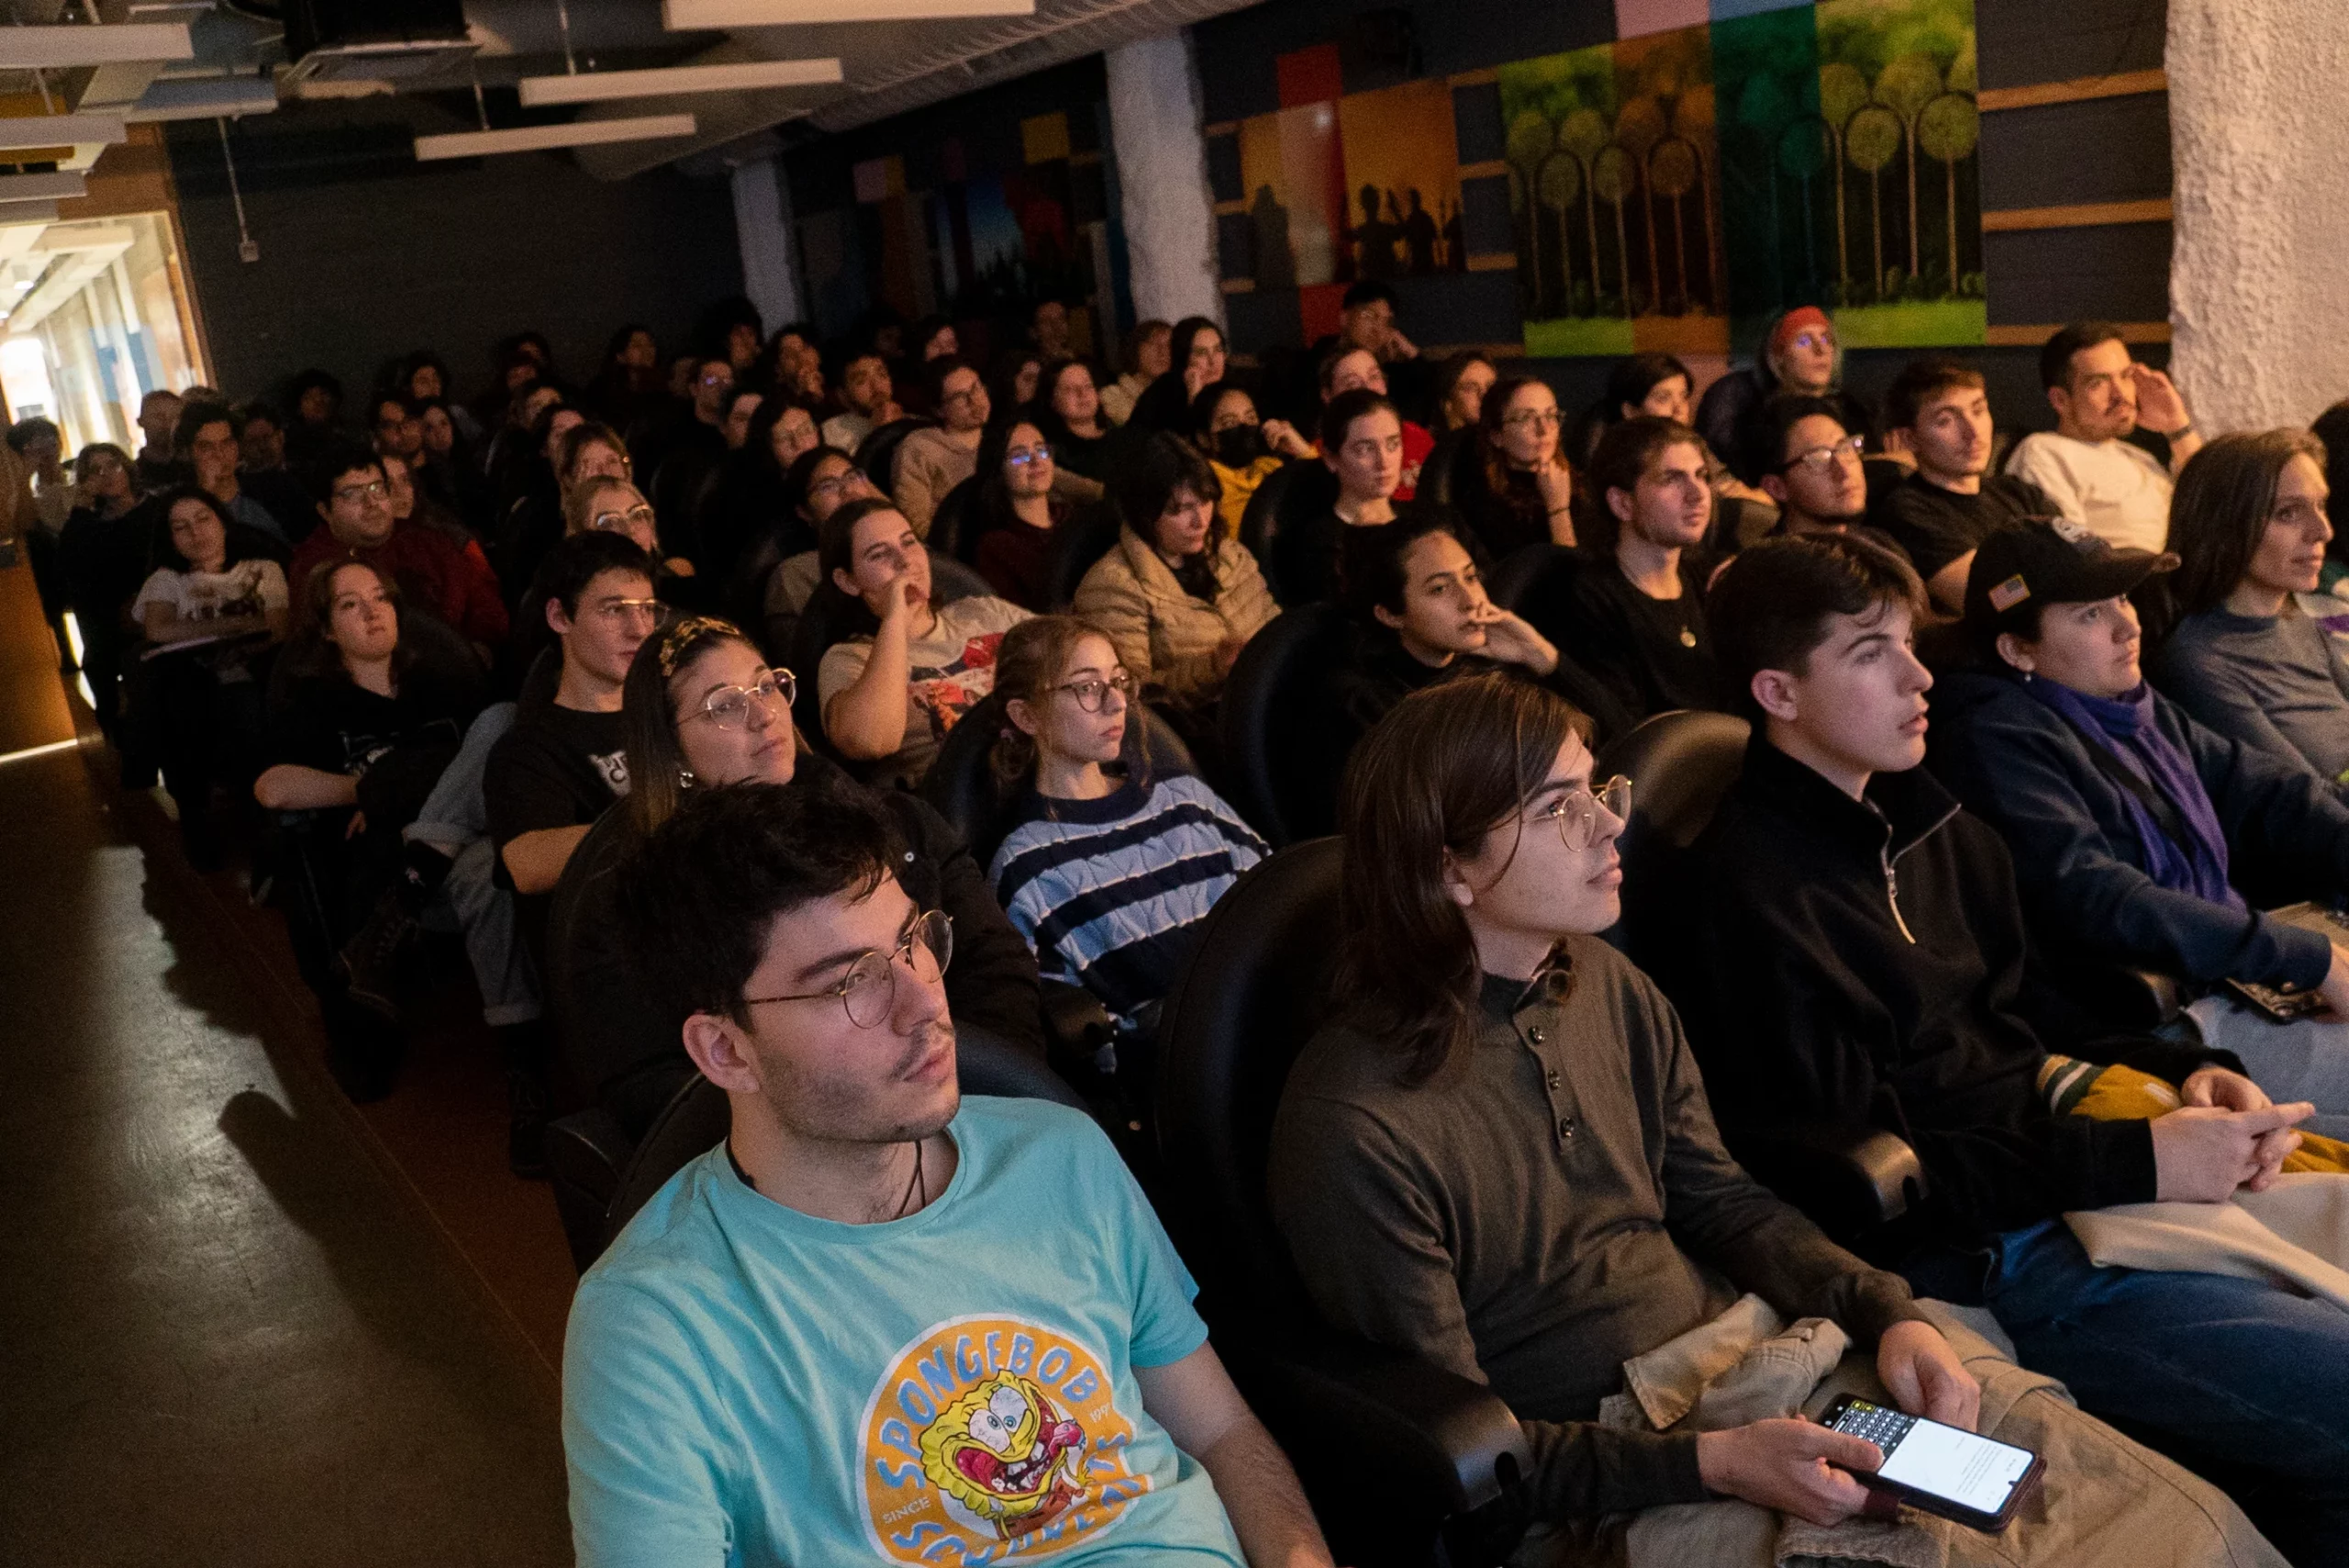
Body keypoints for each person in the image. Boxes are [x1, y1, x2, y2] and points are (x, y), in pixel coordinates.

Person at [1679, 531, 2349, 1564]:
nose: (1918, 674)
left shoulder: (1929, 821)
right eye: (1870, 653)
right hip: (1988, 1253)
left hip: (2068, 1173)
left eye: (1910, 641)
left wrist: (2181, 1071)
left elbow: (2026, 1019)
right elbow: (1874, 1185)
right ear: (1777, 689)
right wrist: (2141, 1159)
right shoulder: (1750, 900)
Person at [1268, 674, 1985, 1551]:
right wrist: (1712, 1463)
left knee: (2109, 1491)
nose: (1613, 824)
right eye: (1559, 808)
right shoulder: (1353, 1121)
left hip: (1760, 1361)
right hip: (1613, 1479)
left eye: (1598, 789)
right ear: (1447, 867)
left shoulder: (1604, 978)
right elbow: (1468, 1450)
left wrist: (1888, 1310)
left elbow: (1721, 1202)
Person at [565, 778, 1336, 1567]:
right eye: (851, 980)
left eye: (913, 940)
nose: (925, 1000)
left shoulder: (1063, 1154)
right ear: (727, 1049)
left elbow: (1219, 1430)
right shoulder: (653, 1322)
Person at [548, 613, 1043, 1141]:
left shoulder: (900, 822)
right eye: (726, 704)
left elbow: (997, 963)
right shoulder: (633, 901)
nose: (764, 714)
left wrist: (967, 1096)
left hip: (968, 1102)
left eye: (767, 685)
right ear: (672, 751)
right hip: (801, 1152)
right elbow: (648, 1085)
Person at [1930, 519, 2349, 1126]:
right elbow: (2097, 895)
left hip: (2231, 978)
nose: (2130, 625)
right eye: (2088, 614)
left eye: (2122, 598)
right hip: (2162, 1028)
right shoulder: (1993, 740)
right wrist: (2302, 956)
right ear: (2017, 649)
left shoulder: (2129, 709)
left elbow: (2268, 792)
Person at [987, 616, 1267, 1051]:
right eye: (1086, 687)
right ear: (1026, 716)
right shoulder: (1028, 866)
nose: (1116, 704)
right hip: (1194, 1067)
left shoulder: (1186, 799)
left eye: (1118, 681)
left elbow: (1277, 899)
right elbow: (1077, 1031)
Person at [251, 561, 485, 1023]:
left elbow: (489, 761)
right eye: (350, 604)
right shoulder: (313, 703)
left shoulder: (444, 688)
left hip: (461, 859)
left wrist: (393, 785)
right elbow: (273, 788)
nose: (372, 612)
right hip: (371, 875)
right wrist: (371, 790)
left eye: (380, 598)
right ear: (329, 630)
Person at [485, 532, 663, 971]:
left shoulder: (673, 714)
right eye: (613, 610)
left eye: (647, 610)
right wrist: (669, 819)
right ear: (559, 616)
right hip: (617, 966)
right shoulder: (528, 747)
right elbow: (527, 863)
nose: (639, 629)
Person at [1330, 513, 1630, 752]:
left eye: (1471, 577)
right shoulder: (1367, 703)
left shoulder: (1486, 666)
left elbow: (1623, 740)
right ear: (1390, 615)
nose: (1471, 600)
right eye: (1439, 589)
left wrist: (1539, 654)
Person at [2154, 429, 2349, 791]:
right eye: (2288, 513)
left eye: (2320, 505)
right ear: (2224, 526)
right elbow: (2306, 804)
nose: (2322, 531)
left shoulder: (2294, 621)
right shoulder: (2197, 662)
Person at [817, 496, 1030, 789]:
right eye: (879, 554)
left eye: (909, 542)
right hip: (965, 802)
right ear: (848, 581)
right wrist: (894, 620)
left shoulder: (985, 611)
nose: (905, 561)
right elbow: (869, 741)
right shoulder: (848, 658)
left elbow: (1073, 652)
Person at [1072, 435, 1275, 742]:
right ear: (1145, 515)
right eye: (1180, 509)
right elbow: (1134, 697)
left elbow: (1275, 627)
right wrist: (1212, 668)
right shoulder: (1113, 585)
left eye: (1205, 501)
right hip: (1203, 732)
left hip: (1266, 702)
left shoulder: (1232, 555)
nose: (1200, 521)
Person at [131, 487, 290, 864]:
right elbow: (159, 630)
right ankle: (198, 816)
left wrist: (221, 637)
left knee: (247, 700)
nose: (196, 532)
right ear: (170, 537)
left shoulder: (260, 568)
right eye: (181, 527)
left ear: (221, 520)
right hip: (191, 677)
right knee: (179, 692)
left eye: (203, 519)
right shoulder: (167, 579)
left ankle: (264, 817)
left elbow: (276, 627)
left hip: (256, 665)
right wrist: (236, 624)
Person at [1553, 416, 1722, 724]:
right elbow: (1622, 728)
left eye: (1701, 475)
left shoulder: (1711, 578)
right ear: (1622, 503)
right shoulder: (1590, 597)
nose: (1697, 494)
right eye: (1672, 478)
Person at [1869, 357, 2058, 613]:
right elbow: (1992, 600)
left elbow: (2084, 556)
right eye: (1945, 420)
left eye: (1978, 411)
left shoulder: (2019, 492)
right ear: (1909, 438)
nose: (1973, 431)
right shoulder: (1910, 510)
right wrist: (2051, 572)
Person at [289, 446, 508, 655]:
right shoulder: (315, 568)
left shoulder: (428, 542)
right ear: (325, 511)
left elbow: (482, 600)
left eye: (377, 488)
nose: (371, 502)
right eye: (353, 494)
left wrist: (481, 646)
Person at [2004, 324, 2201, 554]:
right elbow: (2071, 556)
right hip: (2129, 583)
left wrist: (2175, 425)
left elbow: (2216, 505)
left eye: (2126, 376)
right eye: (2098, 383)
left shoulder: (2142, 459)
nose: (2120, 394)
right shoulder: (2043, 451)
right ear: (2060, 400)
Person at [1694, 307, 1874, 484]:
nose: (1820, 349)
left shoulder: (1853, 409)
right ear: (1779, 356)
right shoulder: (1763, 422)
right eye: (1803, 341)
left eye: (1826, 339)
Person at [1268, 388, 1403, 606]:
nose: (1384, 461)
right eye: (1365, 449)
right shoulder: (1319, 546)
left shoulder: (1432, 520)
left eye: (1393, 444)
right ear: (1331, 458)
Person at [55, 441, 144, 741]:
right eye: (96, 470)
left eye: (113, 465)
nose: (106, 474)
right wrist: (81, 506)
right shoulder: (88, 525)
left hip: (151, 603)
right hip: (107, 615)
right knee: (98, 654)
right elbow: (71, 562)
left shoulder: (152, 509)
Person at [756, 445, 874, 656]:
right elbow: (805, 666)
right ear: (804, 512)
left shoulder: (904, 542)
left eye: (852, 477)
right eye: (828, 486)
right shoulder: (795, 575)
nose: (848, 491)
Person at [1748, 395, 1901, 552]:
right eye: (1819, 458)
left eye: (1846, 448)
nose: (1844, 471)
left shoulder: (1880, 547)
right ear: (1776, 487)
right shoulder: (1765, 570)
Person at [1457, 375, 1576, 559]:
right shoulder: (1484, 504)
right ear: (1497, 436)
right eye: (1526, 418)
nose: (1544, 429)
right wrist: (1558, 508)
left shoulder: (1584, 482)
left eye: (1550, 415)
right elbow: (1567, 576)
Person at [964, 419, 1069, 612]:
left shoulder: (1072, 517)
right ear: (999, 471)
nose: (1036, 461)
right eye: (1020, 456)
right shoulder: (996, 547)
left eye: (1041, 450)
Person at [1191, 382, 1311, 539]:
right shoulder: (1202, 484)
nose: (1244, 426)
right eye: (1229, 422)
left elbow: (1326, 494)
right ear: (1204, 438)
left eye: (1251, 417)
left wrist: (1301, 450)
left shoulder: (1272, 467)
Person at [176, 398, 302, 546]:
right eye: (206, 447)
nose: (220, 455)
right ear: (188, 453)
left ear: (237, 446)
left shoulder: (276, 487)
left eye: (227, 443)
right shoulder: (176, 507)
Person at [892, 356, 989, 537]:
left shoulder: (1003, 437)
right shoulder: (919, 447)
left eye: (977, 387)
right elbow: (915, 526)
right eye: (960, 397)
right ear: (939, 410)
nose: (975, 400)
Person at [1127, 317, 1225, 436]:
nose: (1213, 361)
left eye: (1218, 350)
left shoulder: (1238, 384)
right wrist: (1194, 399)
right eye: (1201, 353)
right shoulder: (1159, 397)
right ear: (1183, 358)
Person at [1031, 359, 1110, 484]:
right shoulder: (1054, 456)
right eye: (1069, 389)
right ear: (1052, 400)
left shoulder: (1125, 438)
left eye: (1088, 386)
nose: (1082, 393)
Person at [820, 348, 901, 453]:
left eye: (882, 375)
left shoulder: (911, 419)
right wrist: (881, 433)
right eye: (861, 381)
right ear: (843, 396)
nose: (877, 387)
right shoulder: (831, 434)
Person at [1099, 318, 1169, 427]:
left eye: (1169, 345)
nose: (1162, 352)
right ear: (1136, 350)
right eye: (1154, 343)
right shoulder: (1111, 395)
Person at [1431, 351, 1497, 434]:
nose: (1484, 395)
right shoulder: (1428, 444)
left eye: (1490, 387)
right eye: (1470, 388)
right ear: (1448, 402)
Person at [134, 387, 184, 489]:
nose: (167, 423)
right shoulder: (132, 477)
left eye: (174, 417)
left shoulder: (197, 468)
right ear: (141, 421)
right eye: (158, 417)